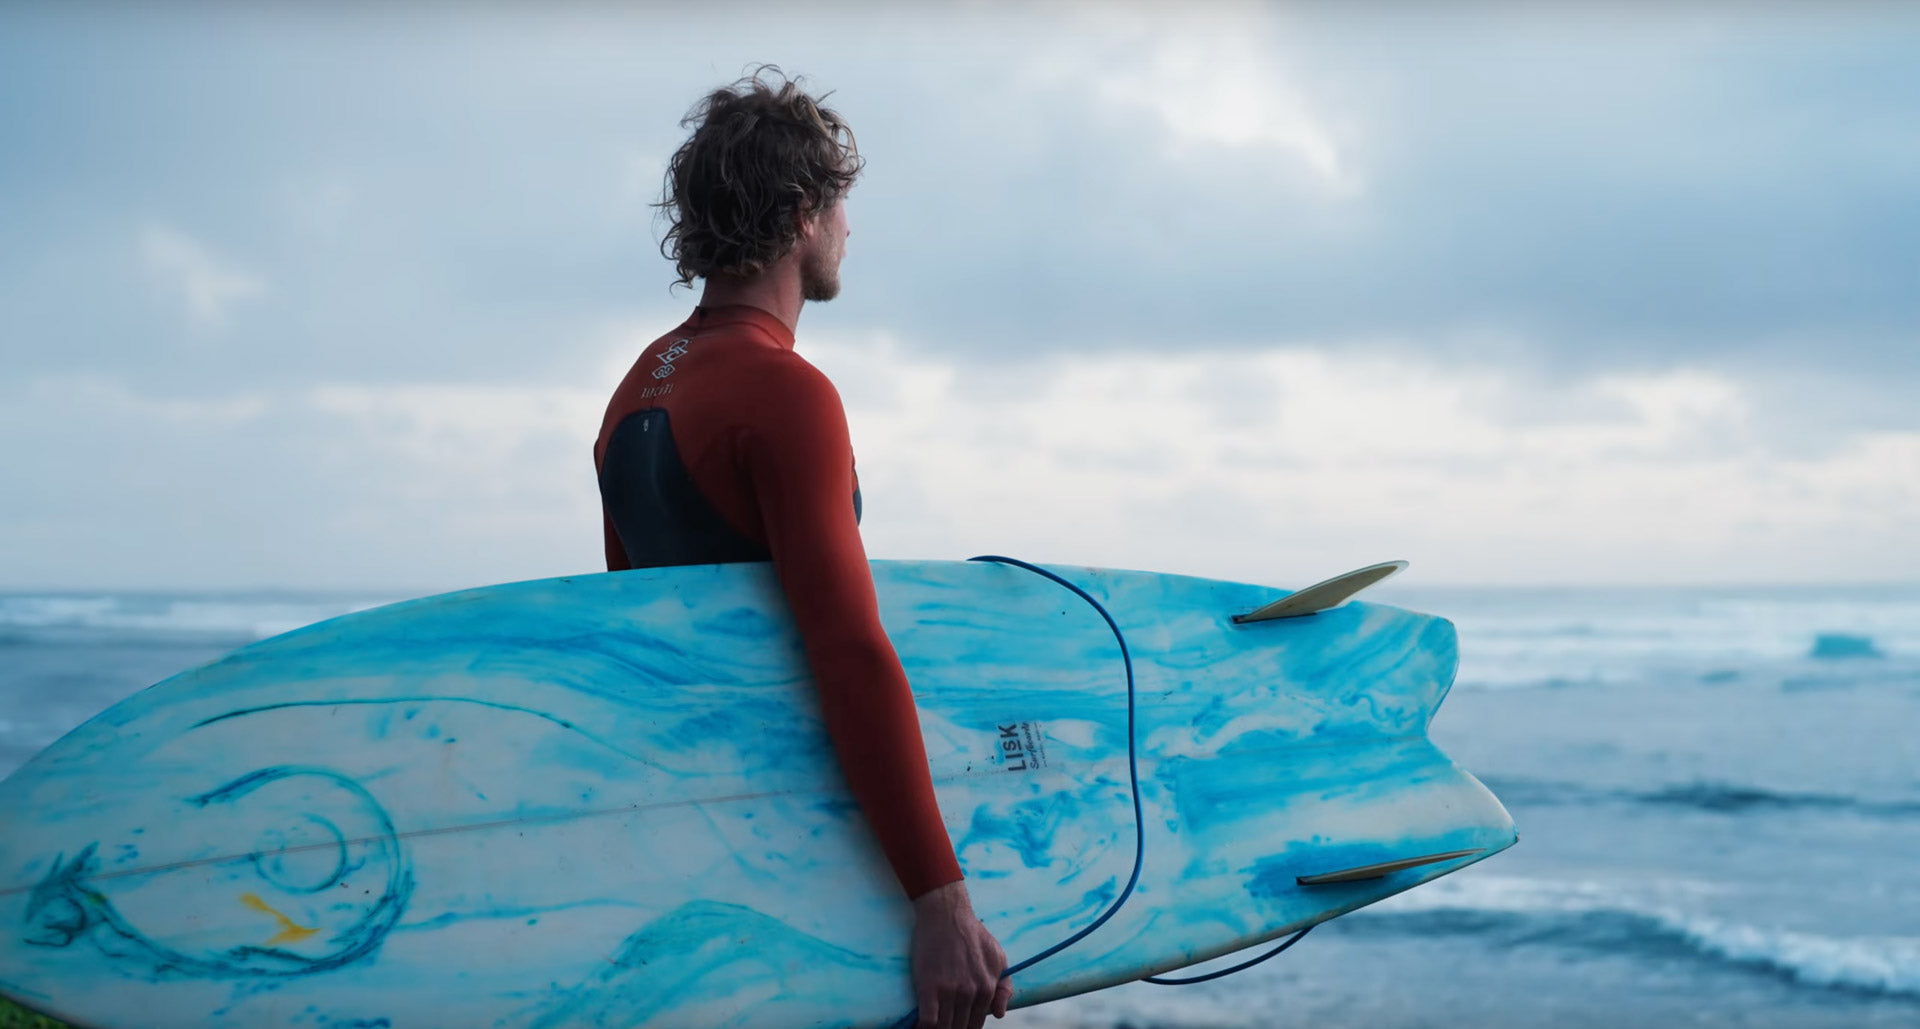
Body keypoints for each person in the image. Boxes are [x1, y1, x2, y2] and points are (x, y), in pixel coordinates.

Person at [593, 68, 1012, 1029]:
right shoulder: (787, 392)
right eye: (840, 207)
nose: (850, 230)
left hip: (711, 855)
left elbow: (634, 640)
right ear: (799, 216)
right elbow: (847, 650)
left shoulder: (637, 386)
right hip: (819, 851)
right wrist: (939, 898)